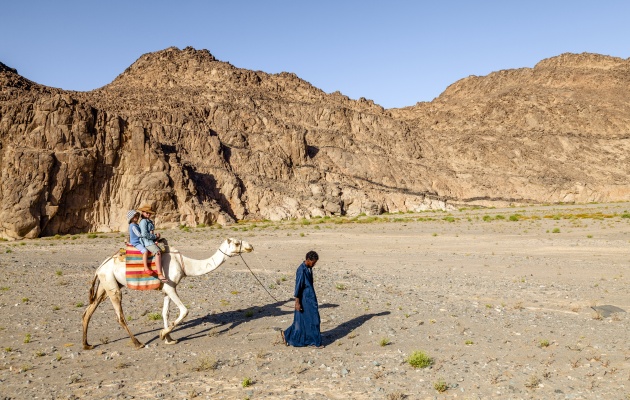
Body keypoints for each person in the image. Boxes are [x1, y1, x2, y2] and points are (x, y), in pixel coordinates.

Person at [281, 251, 323, 348]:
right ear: (308, 260)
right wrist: (297, 302)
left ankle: (287, 334)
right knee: (313, 320)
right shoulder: (301, 270)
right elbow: (298, 287)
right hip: (304, 300)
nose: (314, 264)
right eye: (313, 262)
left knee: (304, 320)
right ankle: (314, 342)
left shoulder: (308, 268)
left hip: (310, 298)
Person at [137, 204, 167, 283]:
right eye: (146, 212)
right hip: (146, 242)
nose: (148, 214)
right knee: (158, 252)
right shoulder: (143, 222)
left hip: (150, 240)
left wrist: (155, 237)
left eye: (149, 213)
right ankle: (160, 274)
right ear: (143, 212)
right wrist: (154, 236)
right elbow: (144, 234)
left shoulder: (149, 221)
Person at [126, 210, 153, 275]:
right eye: (134, 216)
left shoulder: (136, 224)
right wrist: (147, 235)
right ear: (131, 217)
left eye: (137, 215)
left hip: (140, 240)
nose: (136, 217)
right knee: (145, 251)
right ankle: (146, 268)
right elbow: (139, 234)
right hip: (136, 242)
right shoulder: (132, 226)